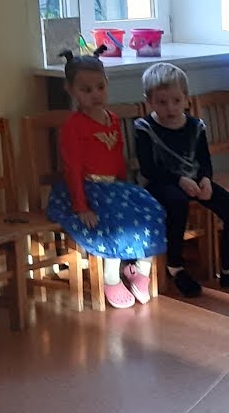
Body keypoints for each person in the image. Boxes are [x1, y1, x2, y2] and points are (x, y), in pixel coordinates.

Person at [45, 48, 166, 309]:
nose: (95, 94)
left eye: (100, 87)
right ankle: (111, 277)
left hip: (115, 187)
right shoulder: (73, 126)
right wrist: (81, 207)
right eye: (86, 90)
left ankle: (140, 272)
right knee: (114, 219)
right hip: (87, 188)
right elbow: (72, 169)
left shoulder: (112, 119)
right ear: (70, 90)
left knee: (152, 210)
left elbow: (117, 156)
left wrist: (126, 188)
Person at [132, 63, 229, 298]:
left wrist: (206, 179)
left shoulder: (195, 126)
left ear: (186, 99)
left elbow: (204, 160)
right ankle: (175, 267)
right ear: (149, 102)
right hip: (160, 183)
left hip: (194, 180)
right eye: (162, 102)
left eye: (176, 101)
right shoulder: (144, 128)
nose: (170, 107)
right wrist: (179, 180)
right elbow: (149, 169)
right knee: (177, 204)